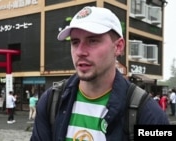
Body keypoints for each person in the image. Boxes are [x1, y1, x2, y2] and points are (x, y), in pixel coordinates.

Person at [30, 6, 169, 141]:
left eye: (93, 41)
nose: (80, 51)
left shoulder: (149, 113)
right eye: (75, 42)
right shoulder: (51, 101)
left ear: (118, 47)